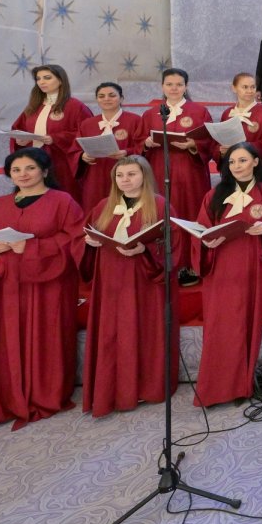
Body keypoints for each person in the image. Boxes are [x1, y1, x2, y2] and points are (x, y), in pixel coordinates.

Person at [0, 148, 85, 430]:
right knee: (5, 340)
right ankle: (4, 393)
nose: (23, 175)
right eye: (16, 170)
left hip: (46, 289)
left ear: (44, 171)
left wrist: (33, 248)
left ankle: (44, 393)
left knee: (44, 337)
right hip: (5, 288)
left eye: (30, 168)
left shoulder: (62, 202)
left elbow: (74, 240)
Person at [193, 142, 262, 408]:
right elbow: (201, 228)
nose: (236, 166)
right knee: (218, 327)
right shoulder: (214, 194)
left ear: (256, 162)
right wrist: (205, 242)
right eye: (232, 162)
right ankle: (213, 388)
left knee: (246, 324)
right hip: (220, 268)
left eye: (243, 160)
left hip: (251, 270)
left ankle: (240, 386)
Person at [80, 156, 177, 417]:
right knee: (112, 332)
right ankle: (111, 385)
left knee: (142, 329)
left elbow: (173, 244)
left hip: (144, 281)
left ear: (144, 175)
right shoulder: (104, 205)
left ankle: (145, 386)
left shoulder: (159, 204)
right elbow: (83, 236)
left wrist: (146, 248)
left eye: (132, 174)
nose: (125, 180)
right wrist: (88, 244)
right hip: (110, 279)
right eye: (120, 175)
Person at [141, 68, 214, 287]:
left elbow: (210, 141)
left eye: (179, 84)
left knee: (189, 213)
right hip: (158, 169)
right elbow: (137, 142)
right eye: (169, 84)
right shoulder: (150, 114)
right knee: (160, 215)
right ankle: (162, 263)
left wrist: (194, 145)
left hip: (189, 172)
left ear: (186, 86)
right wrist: (146, 143)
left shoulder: (199, 111)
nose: (174, 88)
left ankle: (190, 265)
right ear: (162, 86)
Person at [10, 64, 93, 202]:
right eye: (38, 79)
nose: (41, 82)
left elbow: (87, 132)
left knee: (63, 196)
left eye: (47, 78)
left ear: (60, 80)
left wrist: (56, 138)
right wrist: (21, 140)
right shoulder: (33, 106)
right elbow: (19, 128)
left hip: (61, 161)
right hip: (35, 161)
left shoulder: (75, 106)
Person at [75, 81, 146, 214]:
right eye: (101, 96)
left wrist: (127, 152)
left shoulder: (135, 120)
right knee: (96, 211)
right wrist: (82, 156)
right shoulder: (87, 124)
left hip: (125, 175)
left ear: (121, 98)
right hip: (95, 176)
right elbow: (75, 149)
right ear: (97, 99)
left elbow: (143, 146)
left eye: (112, 95)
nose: (106, 99)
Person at [221, 72, 262, 160]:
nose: (250, 91)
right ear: (234, 88)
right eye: (245, 87)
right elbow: (218, 142)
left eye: (253, 87)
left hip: (257, 165)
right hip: (232, 166)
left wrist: (244, 147)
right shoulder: (227, 113)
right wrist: (221, 150)